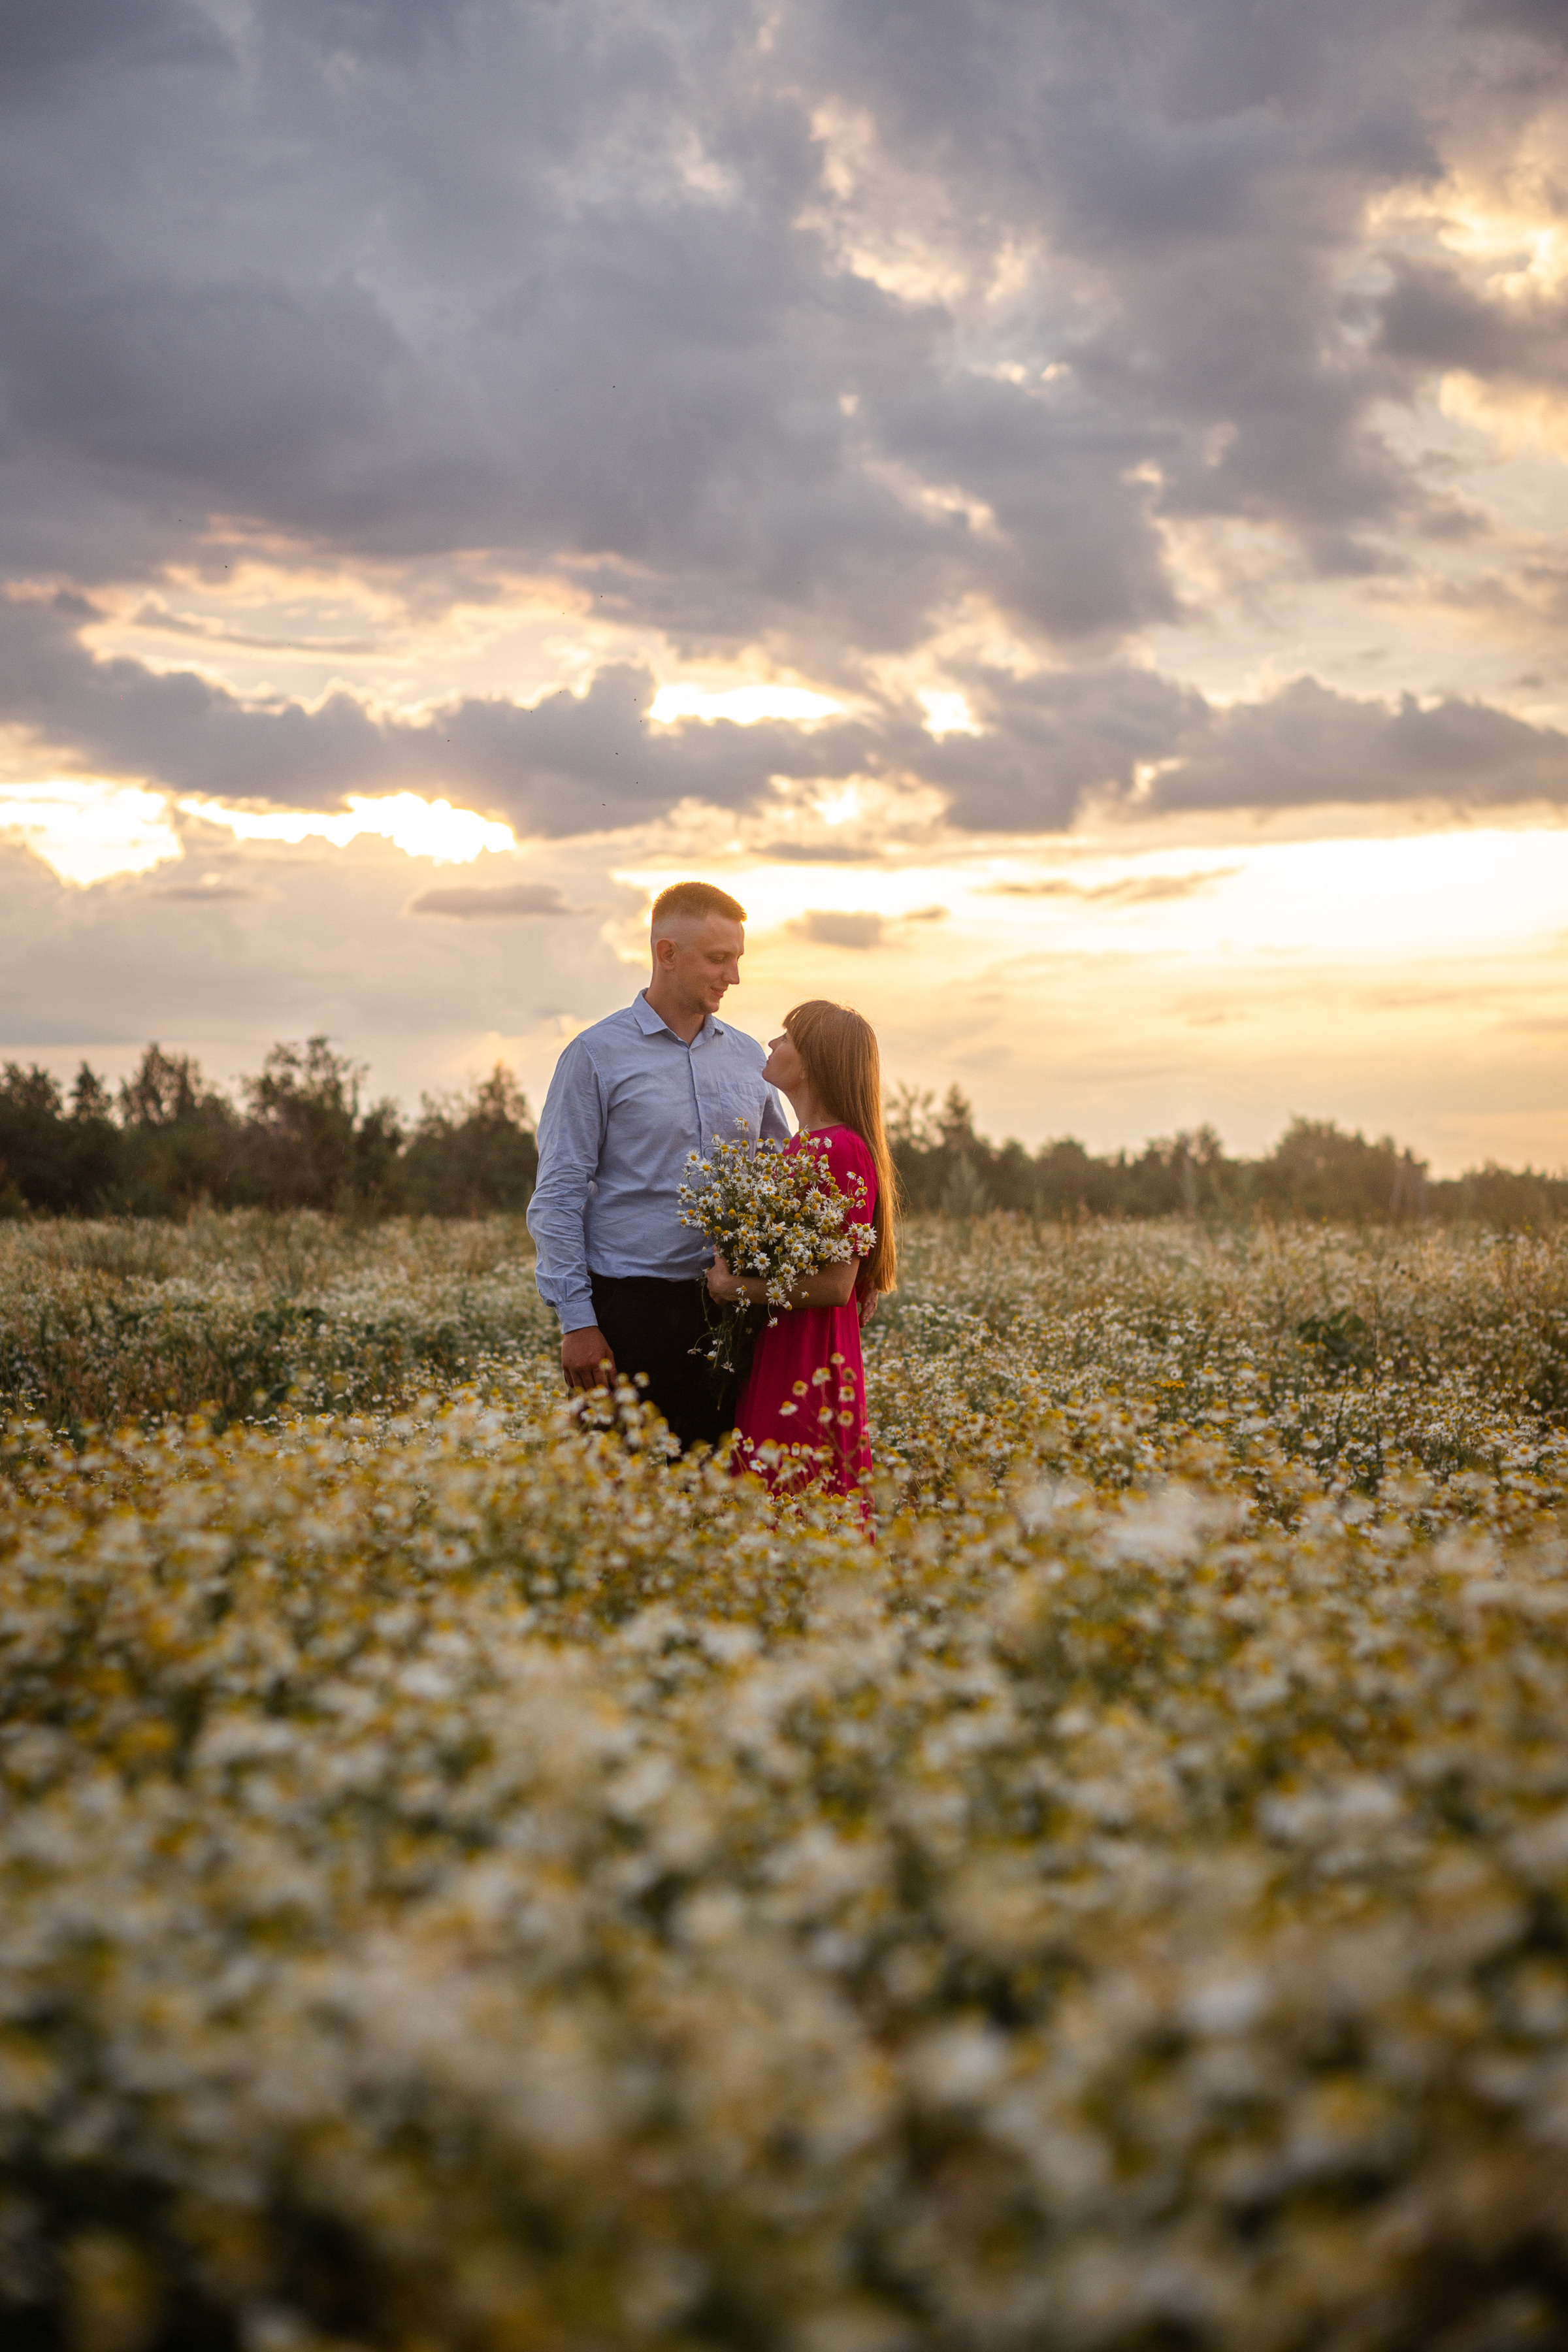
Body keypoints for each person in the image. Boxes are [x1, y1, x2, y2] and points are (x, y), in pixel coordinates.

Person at [527, 880, 790, 1450]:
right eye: (719, 959)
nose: (734, 976)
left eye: (738, 960)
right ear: (666, 954)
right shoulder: (595, 1056)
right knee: (622, 1497)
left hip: (728, 1310)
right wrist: (578, 1321)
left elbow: (785, 1180)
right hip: (626, 1311)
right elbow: (558, 1194)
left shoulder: (750, 1058)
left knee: (720, 1493)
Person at [706, 999, 896, 1510]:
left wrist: (732, 1288)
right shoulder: (804, 1146)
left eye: (785, 1037)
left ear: (812, 1061)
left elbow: (837, 1285)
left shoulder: (840, 1148)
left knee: (792, 1503)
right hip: (785, 1344)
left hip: (806, 1354)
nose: (771, 1044)